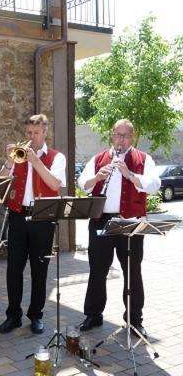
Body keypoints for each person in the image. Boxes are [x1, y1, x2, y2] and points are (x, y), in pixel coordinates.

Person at [77, 119, 160, 337]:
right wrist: (97, 177)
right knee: (97, 270)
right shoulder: (99, 158)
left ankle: (134, 319)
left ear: (131, 137)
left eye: (125, 136)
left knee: (132, 271)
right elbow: (82, 183)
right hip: (101, 220)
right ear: (111, 135)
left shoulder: (144, 159)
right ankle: (93, 315)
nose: (120, 140)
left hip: (131, 222)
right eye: (117, 134)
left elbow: (154, 185)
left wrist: (130, 175)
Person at [0, 113, 66, 335]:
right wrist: (9, 161)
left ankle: (36, 315)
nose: (31, 136)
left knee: (40, 270)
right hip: (17, 216)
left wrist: (35, 160)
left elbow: (55, 183)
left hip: (42, 219)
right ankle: (13, 316)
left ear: (45, 133)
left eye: (36, 133)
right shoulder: (18, 156)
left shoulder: (56, 157)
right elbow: (0, 182)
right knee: (13, 269)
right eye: (28, 133)